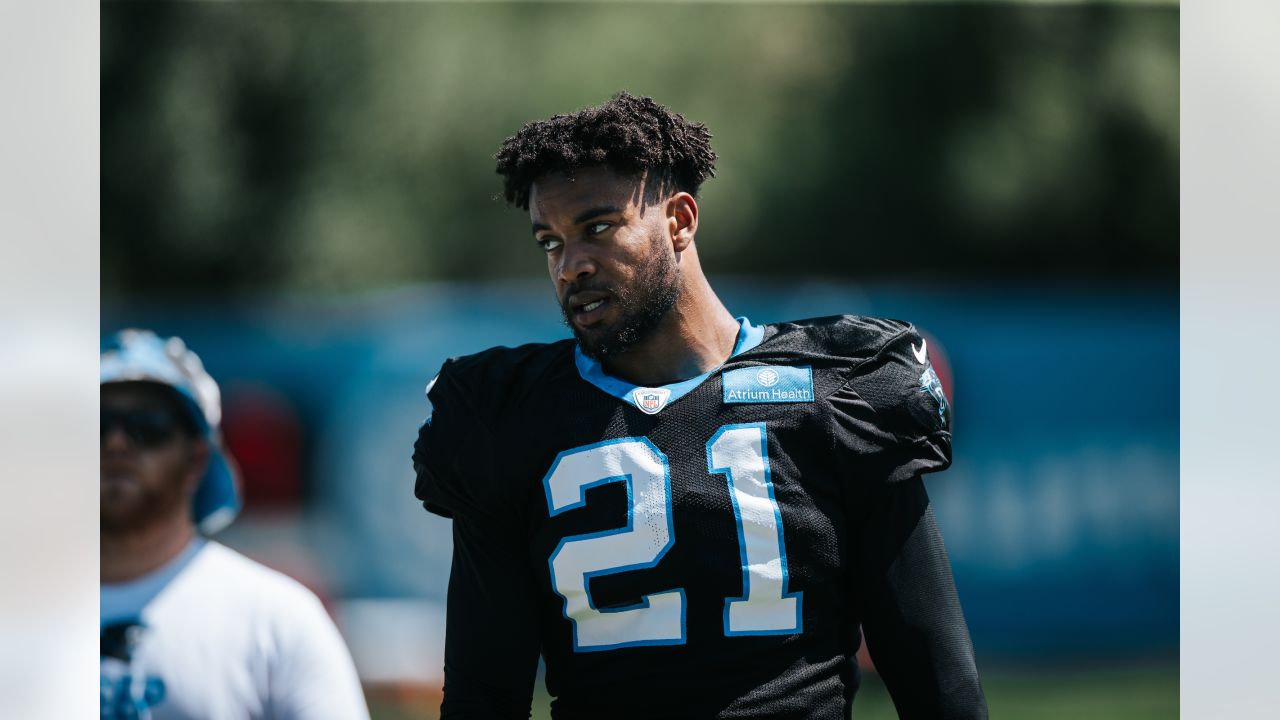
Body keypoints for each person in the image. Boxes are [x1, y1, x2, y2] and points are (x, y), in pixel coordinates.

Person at [413, 92, 987, 719]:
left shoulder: (837, 390)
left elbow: (936, 677)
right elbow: (483, 694)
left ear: (680, 220)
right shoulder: (508, 416)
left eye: (598, 229)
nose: (571, 266)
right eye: (550, 242)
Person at [101, 329, 370, 720]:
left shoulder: (277, 622)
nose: (116, 444)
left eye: (147, 426)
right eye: (95, 424)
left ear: (196, 460)